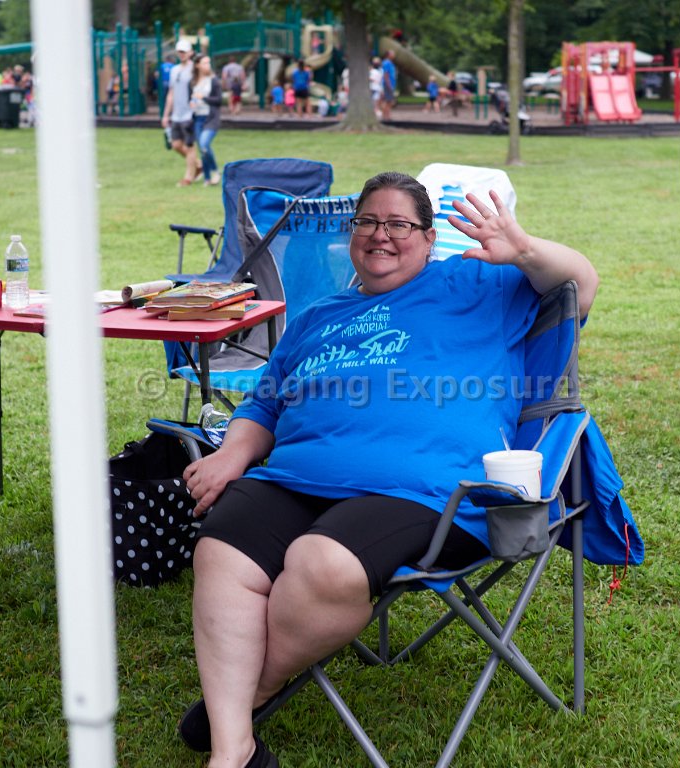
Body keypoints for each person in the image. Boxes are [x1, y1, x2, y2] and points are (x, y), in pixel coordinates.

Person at [175, 171, 599, 768]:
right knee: (222, 553)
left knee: (322, 564)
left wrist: (524, 249)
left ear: (428, 238)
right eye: (368, 222)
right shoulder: (317, 316)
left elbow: (580, 284)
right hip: (294, 478)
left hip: (424, 489)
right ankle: (233, 750)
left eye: (399, 224)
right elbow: (263, 405)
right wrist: (231, 454)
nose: (381, 234)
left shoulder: (480, 284)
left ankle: (252, 693)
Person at [161, 39, 200, 187]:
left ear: (190, 52)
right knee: (176, 144)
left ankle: (188, 178)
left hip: (189, 114)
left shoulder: (194, 69)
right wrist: (166, 114)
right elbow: (171, 93)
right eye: (179, 51)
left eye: (184, 51)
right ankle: (198, 165)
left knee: (190, 146)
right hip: (176, 115)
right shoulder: (174, 70)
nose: (181, 54)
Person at [190, 53, 222, 186]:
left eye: (208, 63)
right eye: (204, 63)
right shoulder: (194, 81)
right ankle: (207, 178)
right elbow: (192, 97)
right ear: (197, 65)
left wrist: (203, 97)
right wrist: (192, 103)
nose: (207, 65)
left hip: (211, 118)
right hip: (198, 118)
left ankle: (215, 171)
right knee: (202, 149)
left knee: (204, 144)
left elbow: (219, 100)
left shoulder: (213, 80)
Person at [380, 49, 397, 120]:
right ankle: (385, 116)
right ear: (388, 55)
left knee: (389, 101)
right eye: (392, 53)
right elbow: (386, 75)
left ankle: (387, 116)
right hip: (388, 84)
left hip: (391, 84)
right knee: (388, 101)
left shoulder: (390, 63)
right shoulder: (386, 63)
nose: (394, 55)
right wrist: (389, 85)